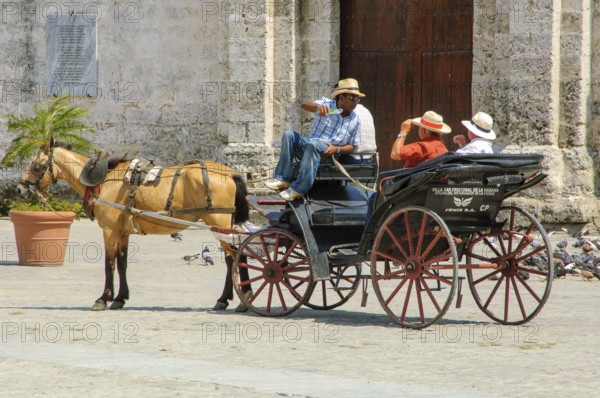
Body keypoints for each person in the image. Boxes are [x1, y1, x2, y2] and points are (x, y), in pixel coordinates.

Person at [265, 78, 365, 200]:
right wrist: (317, 108)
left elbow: (353, 146)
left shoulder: (355, 120)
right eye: (353, 98)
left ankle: (299, 189)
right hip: (309, 146)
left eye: (357, 99)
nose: (356, 102)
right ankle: (282, 178)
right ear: (342, 98)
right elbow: (304, 105)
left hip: (327, 153)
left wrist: (337, 149)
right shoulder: (326, 104)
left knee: (314, 144)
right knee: (289, 135)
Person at [366, 110, 451, 221]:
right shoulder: (444, 150)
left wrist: (403, 132)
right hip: (432, 194)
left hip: (412, 193)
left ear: (424, 130)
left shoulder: (422, 147)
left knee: (373, 198)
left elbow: (395, 154)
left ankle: (371, 237)